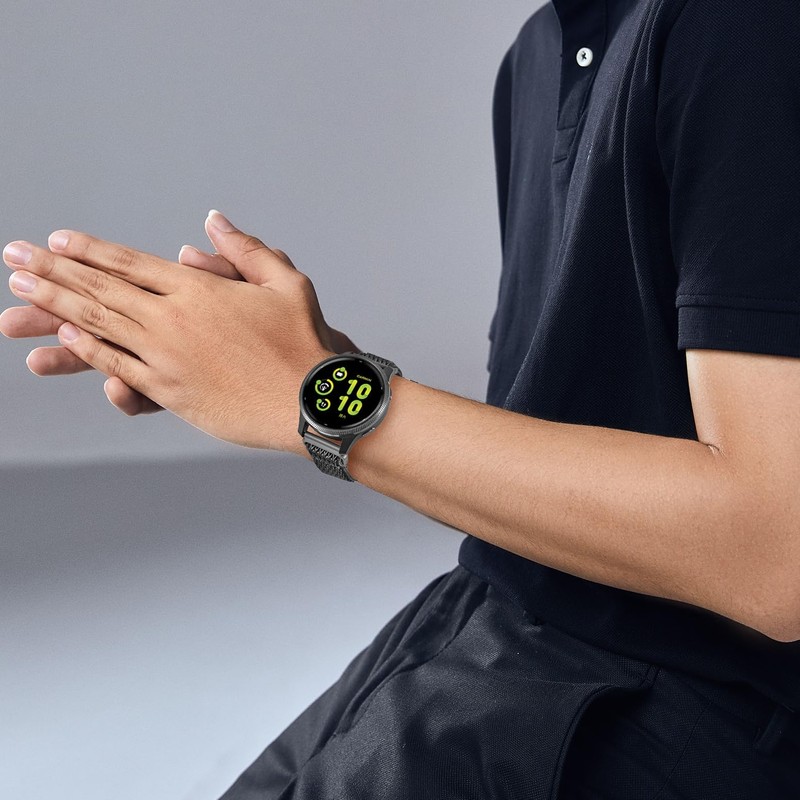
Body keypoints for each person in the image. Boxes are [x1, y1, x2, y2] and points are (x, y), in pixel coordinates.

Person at [2, 0, 800, 796]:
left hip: (698, 701)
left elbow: (775, 556)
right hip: (491, 610)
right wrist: (301, 367)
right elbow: (557, 445)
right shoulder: (537, 56)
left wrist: (315, 397)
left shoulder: (743, 26)